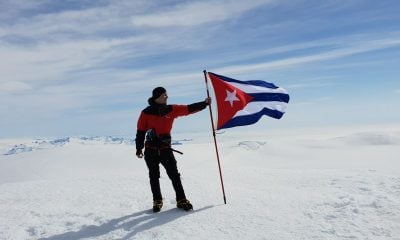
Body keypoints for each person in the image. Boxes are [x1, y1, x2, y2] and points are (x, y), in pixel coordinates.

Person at [135, 86, 211, 212]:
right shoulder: (145, 113)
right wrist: (139, 148)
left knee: (174, 175)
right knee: (154, 176)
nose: (166, 96)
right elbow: (140, 131)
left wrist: (204, 104)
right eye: (163, 95)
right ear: (156, 97)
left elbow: (188, 109)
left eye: (166, 94)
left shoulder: (171, 109)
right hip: (151, 150)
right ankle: (157, 201)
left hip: (166, 149)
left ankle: (181, 200)